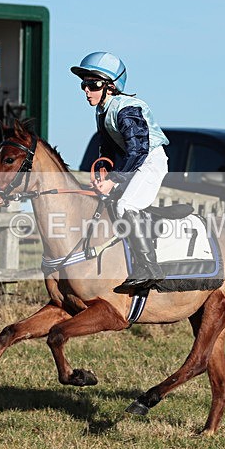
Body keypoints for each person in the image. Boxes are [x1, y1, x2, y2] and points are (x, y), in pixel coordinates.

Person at [71, 52, 169, 293]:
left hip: (149, 161)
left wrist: (115, 181)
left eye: (93, 84)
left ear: (111, 87)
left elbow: (138, 150)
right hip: (134, 162)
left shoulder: (128, 108)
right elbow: (108, 148)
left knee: (126, 205)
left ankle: (150, 269)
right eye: (84, 84)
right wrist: (104, 173)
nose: (86, 89)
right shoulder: (102, 110)